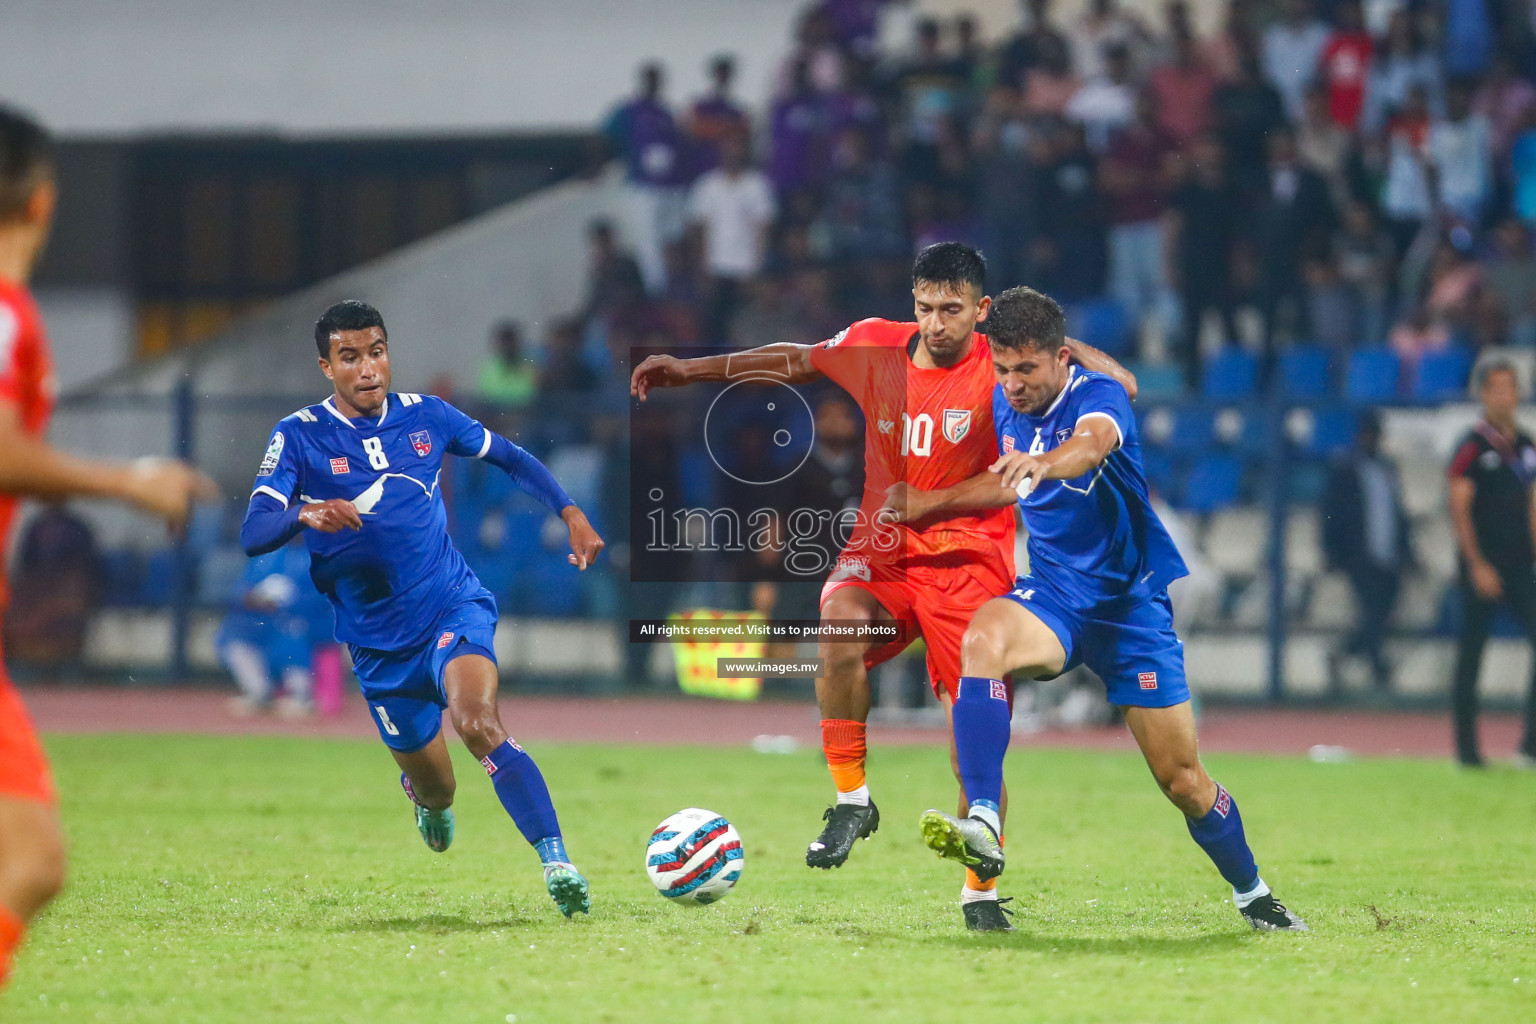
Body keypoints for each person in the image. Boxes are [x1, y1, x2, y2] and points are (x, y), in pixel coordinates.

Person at [631, 243, 1137, 931]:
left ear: (982, 312)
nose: (936, 323)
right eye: (925, 307)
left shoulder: (1004, 368)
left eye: (952, 310)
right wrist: (691, 370)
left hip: (969, 561)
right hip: (884, 551)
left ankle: (980, 891)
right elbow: (794, 357)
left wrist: (1086, 356)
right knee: (837, 622)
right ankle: (851, 798)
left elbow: (1103, 380)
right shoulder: (874, 345)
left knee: (973, 747)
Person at [880, 286, 1308, 933]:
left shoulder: (1097, 399)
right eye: (1003, 369)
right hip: (1054, 598)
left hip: (1130, 612)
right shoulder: (1003, 399)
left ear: (1060, 360)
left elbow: (1089, 446)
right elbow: (999, 476)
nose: (1013, 384)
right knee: (983, 640)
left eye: (1027, 369)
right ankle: (985, 826)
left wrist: (1041, 464)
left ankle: (1254, 894)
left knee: (1184, 781)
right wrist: (926, 502)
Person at [239, 300, 605, 916]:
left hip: (450, 608)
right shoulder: (298, 435)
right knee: (440, 789)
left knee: (476, 721)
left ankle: (556, 860)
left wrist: (570, 511)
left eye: (376, 351)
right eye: (349, 358)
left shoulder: (428, 417)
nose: (367, 369)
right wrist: (305, 512)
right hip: (379, 647)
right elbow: (254, 530)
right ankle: (425, 798)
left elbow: (510, 458)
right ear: (326, 366)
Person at [0, 104, 216, 987]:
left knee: (31, 857)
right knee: (31, 855)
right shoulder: (6, 313)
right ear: (44, 201)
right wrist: (130, 480)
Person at [1447, 360, 1536, 769]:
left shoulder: (1527, 446)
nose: (1505, 396)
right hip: (1483, 565)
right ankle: (1467, 753)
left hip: (1521, 563)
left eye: (1510, 388)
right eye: (1497, 389)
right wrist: (1477, 563)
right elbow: (1459, 508)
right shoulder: (1471, 447)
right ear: (1484, 394)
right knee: (1472, 656)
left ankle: (1529, 747)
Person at [1322, 410, 1412, 693]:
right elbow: (1331, 513)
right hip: (1358, 555)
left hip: (1388, 554)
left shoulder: (1388, 469)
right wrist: (1331, 551)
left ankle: (1343, 653)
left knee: (1381, 613)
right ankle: (1379, 670)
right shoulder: (1345, 470)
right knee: (1373, 611)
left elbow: (1398, 513)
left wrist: (1407, 549)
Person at [686, 132, 776, 345]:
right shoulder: (707, 184)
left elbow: (763, 228)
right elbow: (699, 228)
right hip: (715, 268)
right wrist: (701, 267)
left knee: (744, 324)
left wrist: (757, 268)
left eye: (738, 148)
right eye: (729, 148)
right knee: (715, 325)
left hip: (746, 269)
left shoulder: (757, 183)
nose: (733, 153)